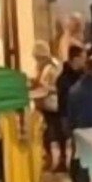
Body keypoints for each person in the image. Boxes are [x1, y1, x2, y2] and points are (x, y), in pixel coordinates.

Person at [30, 41, 64, 170]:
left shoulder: (52, 67)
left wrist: (42, 87)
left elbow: (54, 86)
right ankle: (50, 158)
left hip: (51, 104)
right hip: (44, 103)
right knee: (47, 132)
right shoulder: (43, 67)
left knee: (54, 132)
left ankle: (58, 160)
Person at [53, 45, 86, 170]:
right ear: (75, 58)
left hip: (78, 115)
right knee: (74, 146)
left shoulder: (80, 75)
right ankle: (74, 170)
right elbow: (65, 99)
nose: (84, 61)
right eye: (83, 58)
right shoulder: (64, 79)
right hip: (67, 115)